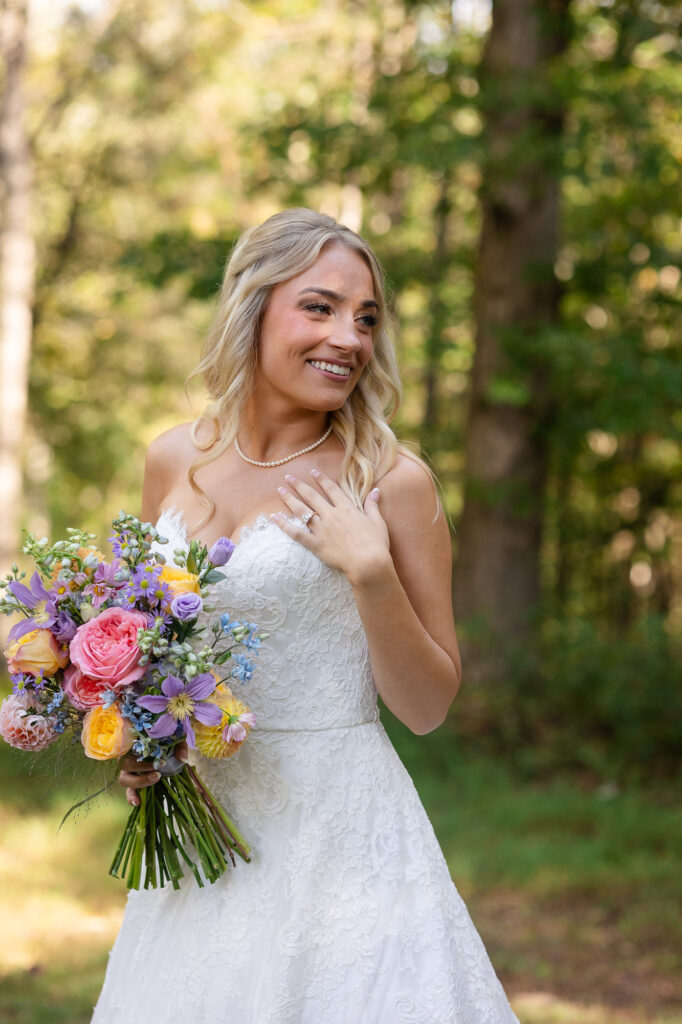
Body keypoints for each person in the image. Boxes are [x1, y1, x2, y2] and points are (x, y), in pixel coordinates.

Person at [92, 208, 519, 1023]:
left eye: (365, 319)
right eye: (319, 308)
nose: (349, 339)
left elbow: (428, 709)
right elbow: (154, 647)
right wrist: (142, 749)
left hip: (342, 841)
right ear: (253, 306)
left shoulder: (393, 482)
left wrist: (371, 573)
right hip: (203, 843)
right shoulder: (174, 458)